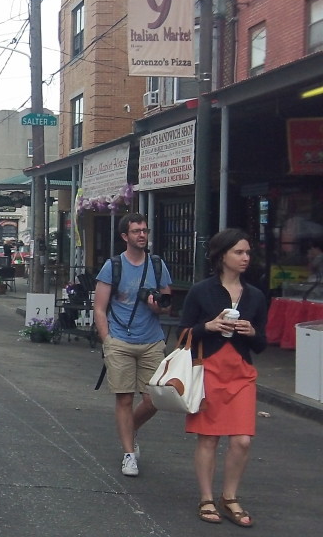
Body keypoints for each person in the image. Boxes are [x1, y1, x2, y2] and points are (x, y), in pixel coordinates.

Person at [179, 228, 267, 527]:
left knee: (242, 440)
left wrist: (253, 332)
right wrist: (209, 326)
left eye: (247, 253)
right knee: (209, 439)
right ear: (222, 256)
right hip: (210, 371)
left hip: (241, 373)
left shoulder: (255, 296)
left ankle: (229, 497)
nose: (245, 258)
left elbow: (261, 343)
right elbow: (182, 335)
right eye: (239, 252)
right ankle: (206, 498)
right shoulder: (201, 291)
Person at [92, 213, 173, 477]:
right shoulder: (113, 266)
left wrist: (157, 306)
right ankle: (129, 454)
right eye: (137, 231)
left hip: (151, 341)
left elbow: (168, 305)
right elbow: (100, 308)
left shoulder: (158, 265)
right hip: (120, 341)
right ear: (125, 237)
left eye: (145, 231)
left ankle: (130, 428)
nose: (142, 235)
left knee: (154, 399)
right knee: (124, 398)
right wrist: (108, 341)